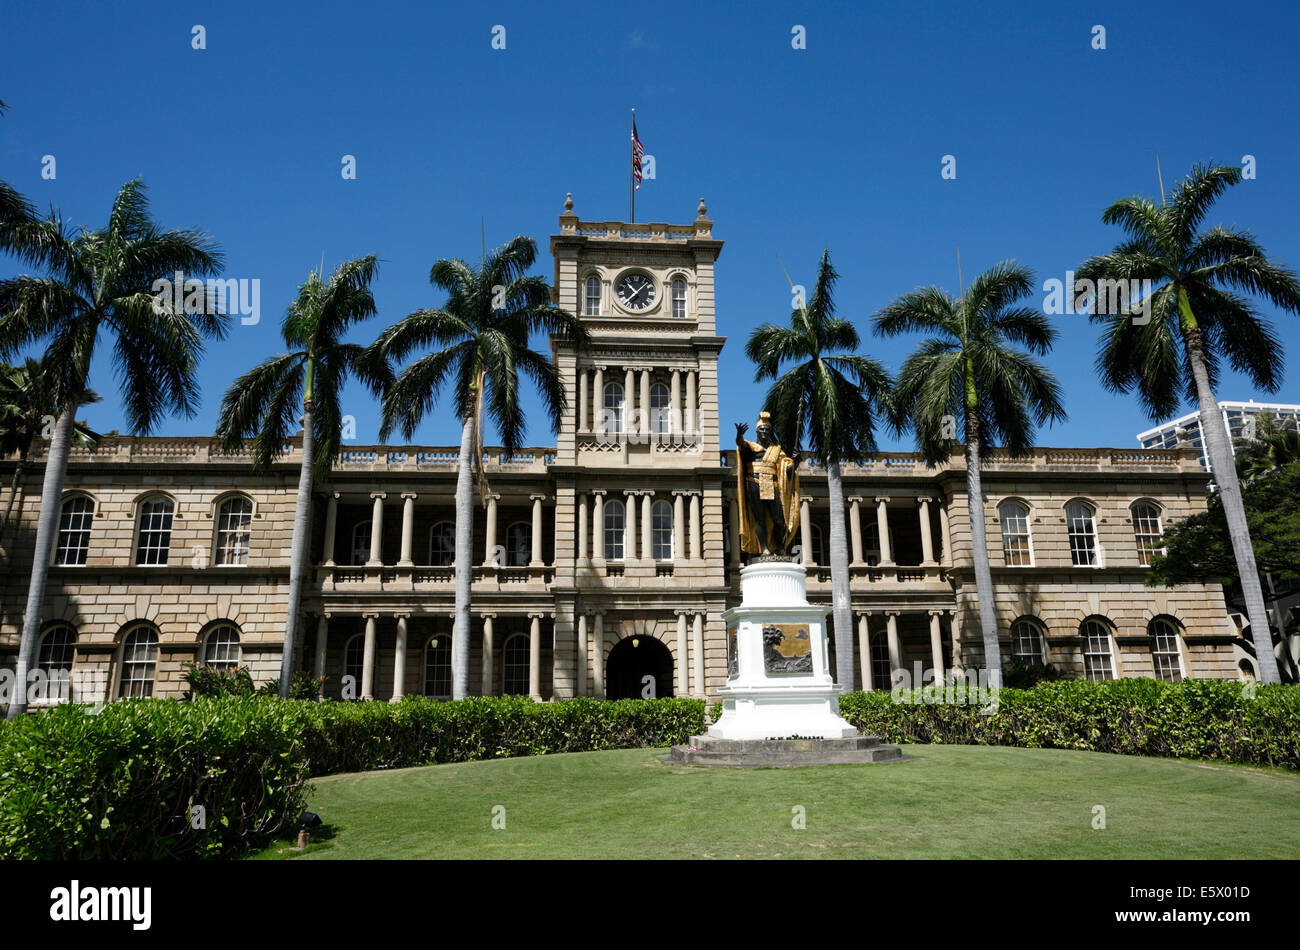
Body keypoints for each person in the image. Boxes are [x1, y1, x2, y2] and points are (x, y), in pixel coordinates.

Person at [735, 411, 801, 557]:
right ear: (757, 432)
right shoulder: (751, 447)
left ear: (770, 432)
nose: (764, 432)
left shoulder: (776, 450)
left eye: (767, 429)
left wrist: (795, 462)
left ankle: (779, 547)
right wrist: (739, 435)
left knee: (779, 520)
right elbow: (741, 445)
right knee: (760, 518)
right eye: (761, 429)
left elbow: (786, 469)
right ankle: (764, 548)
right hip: (754, 482)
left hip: (772, 483)